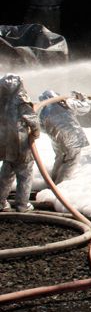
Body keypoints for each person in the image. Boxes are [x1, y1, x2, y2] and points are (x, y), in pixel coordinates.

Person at [0, 74, 41, 212]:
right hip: (20, 143)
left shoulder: (1, 100)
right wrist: (35, 133)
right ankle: (22, 205)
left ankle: (0, 202)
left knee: (6, 173)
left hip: (4, 144)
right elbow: (33, 120)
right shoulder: (21, 100)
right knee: (25, 173)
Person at [38, 90, 91, 183]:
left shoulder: (43, 112)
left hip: (56, 140)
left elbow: (42, 128)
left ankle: (51, 182)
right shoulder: (65, 103)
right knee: (72, 158)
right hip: (72, 137)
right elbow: (85, 108)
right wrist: (83, 99)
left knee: (60, 158)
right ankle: (60, 185)